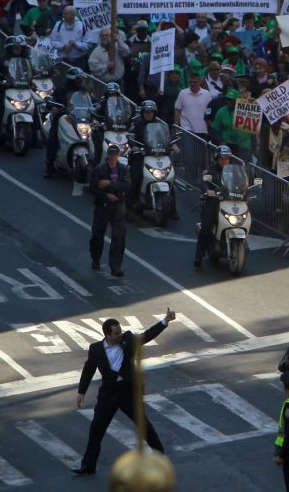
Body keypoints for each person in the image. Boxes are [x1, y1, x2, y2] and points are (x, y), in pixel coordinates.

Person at [73, 308, 176, 476]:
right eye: (116, 333)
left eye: (120, 331)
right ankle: (88, 466)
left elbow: (146, 336)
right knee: (96, 430)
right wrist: (81, 391)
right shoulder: (96, 349)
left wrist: (165, 320)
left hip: (128, 392)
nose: (120, 335)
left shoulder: (127, 340)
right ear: (107, 335)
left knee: (144, 426)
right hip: (109, 394)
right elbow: (88, 369)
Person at [90, 144, 129, 277]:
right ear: (108, 155)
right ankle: (95, 258)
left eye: (115, 155)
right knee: (97, 234)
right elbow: (93, 188)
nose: (112, 158)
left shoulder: (123, 169)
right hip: (103, 205)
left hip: (118, 205)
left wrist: (109, 184)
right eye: (111, 155)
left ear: (118, 156)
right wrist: (106, 195)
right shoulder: (100, 169)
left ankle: (116, 266)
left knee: (119, 236)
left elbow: (127, 185)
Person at [194, 146, 233, 268]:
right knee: (206, 226)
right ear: (217, 158)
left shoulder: (233, 171)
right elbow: (203, 182)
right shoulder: (210, 171)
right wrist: (208, 191)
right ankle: (198, 256)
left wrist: (247, 193)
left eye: (227, 158)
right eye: (222, 158)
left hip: (230, 202)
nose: (225, 160)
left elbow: (242, 183)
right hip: (214, 201)